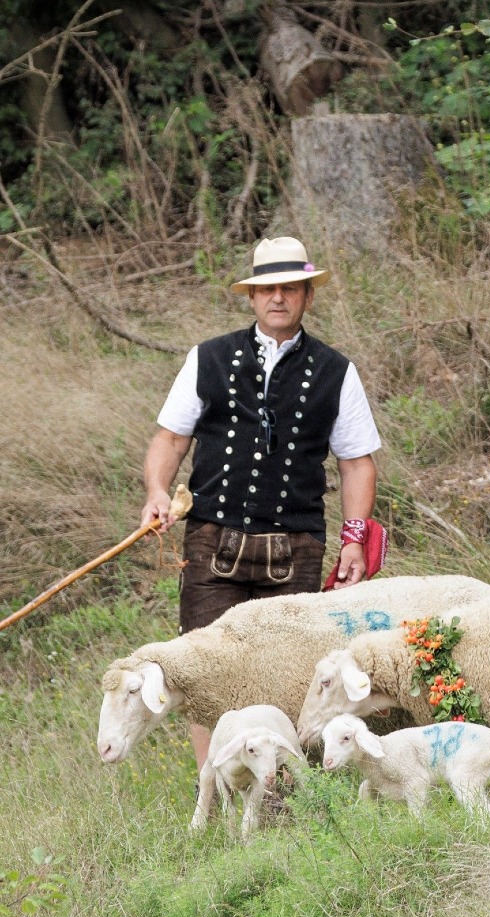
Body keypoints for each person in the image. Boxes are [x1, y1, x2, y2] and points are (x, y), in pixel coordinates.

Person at [140, 236, 383, 765]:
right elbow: (170, 438)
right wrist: (158, 491)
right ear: (252, 297)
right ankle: (215, 786)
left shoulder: (336, 370)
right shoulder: (208, 357)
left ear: (306, 297)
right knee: (202, 669)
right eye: (268, 288)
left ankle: (281, 789)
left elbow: (357, 461)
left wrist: (355, 539)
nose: (278, 298)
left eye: (290, 288)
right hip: (210, 539)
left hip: (295, 545)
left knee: (288, 672)